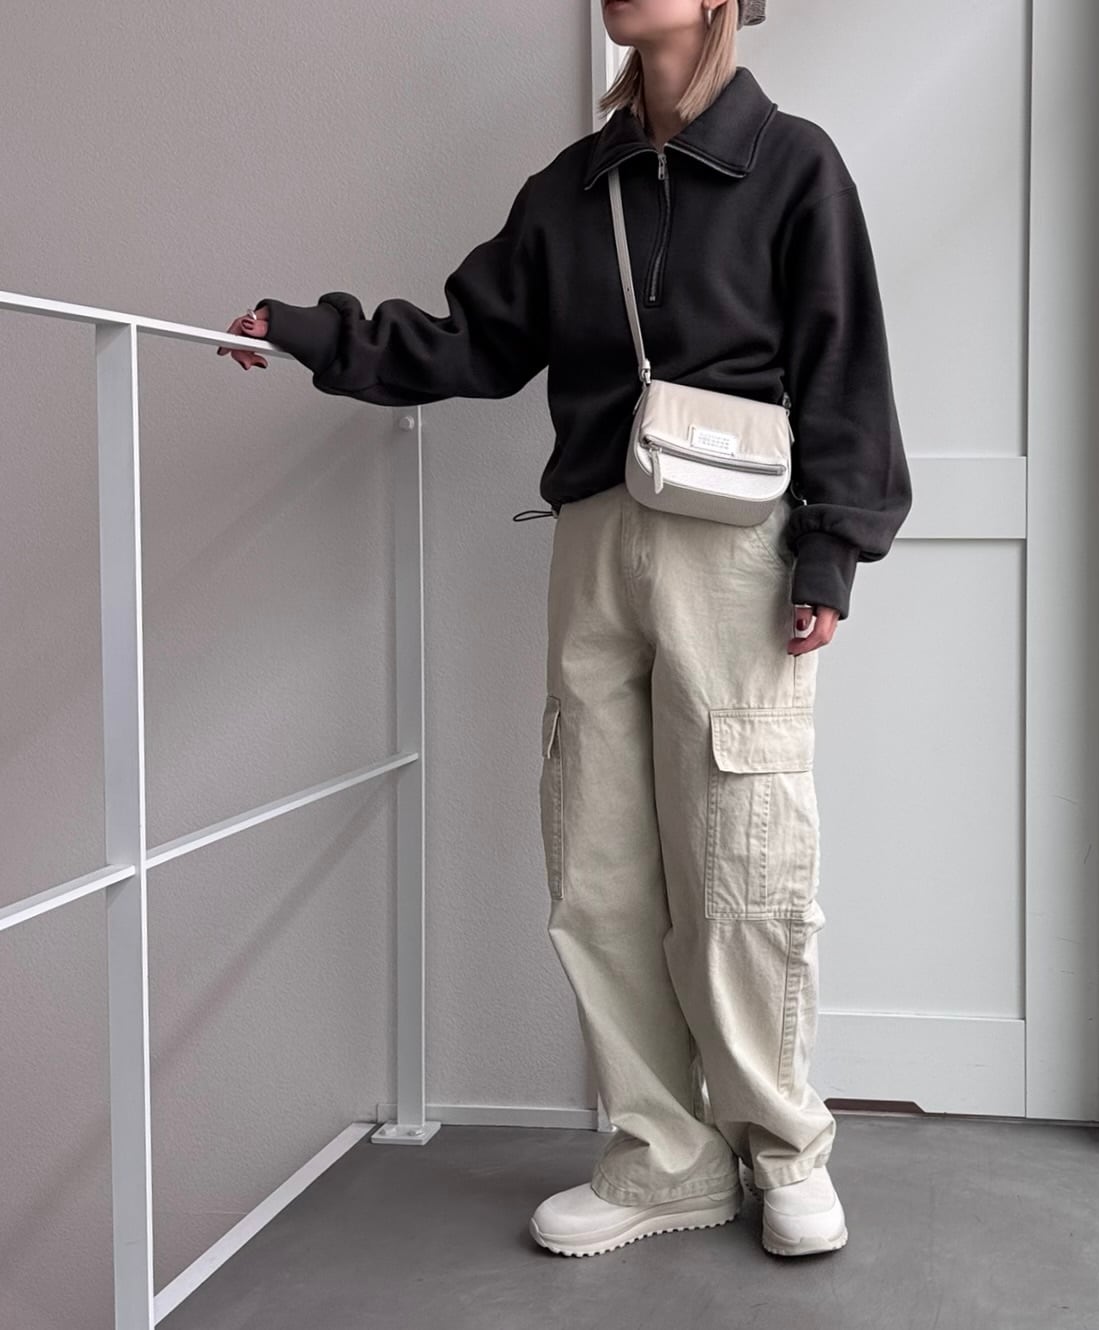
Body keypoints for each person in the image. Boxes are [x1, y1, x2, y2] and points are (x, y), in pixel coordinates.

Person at [220, 0, 910, 1260]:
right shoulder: (572, 189)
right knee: (595, 867)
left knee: (741, 859)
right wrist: (318, 334)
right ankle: (662, 1156)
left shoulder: (790, 163)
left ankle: (780, 1147)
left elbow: (842, 364)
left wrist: (832, 547)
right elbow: (474, 342)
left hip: (735, 552)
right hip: (593, 539)